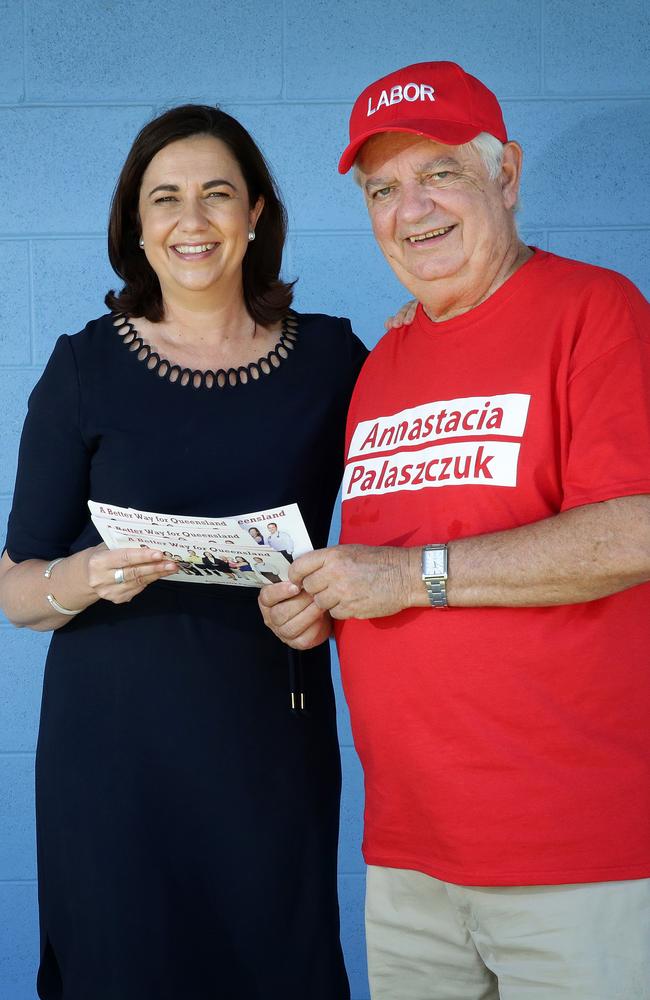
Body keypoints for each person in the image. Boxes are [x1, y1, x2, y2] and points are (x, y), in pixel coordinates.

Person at [259, 61, 650, 999]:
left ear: (505, 176)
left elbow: (634, 530)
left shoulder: (595, 312)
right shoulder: (382, 362)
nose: (412, 206)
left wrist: (406, 577)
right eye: (383, 188)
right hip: (408, 858)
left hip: (574, 854)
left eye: (440, 171)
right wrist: (321, 605)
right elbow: (387, 565)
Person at [0, 104, 369, 1000]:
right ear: (136, 224)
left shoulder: (333, 358)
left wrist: (334, 596)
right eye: (164, 198)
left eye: (217, 195)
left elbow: (382, 537)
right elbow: (16, 590)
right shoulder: (82, 367)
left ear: (257, 215)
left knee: (273, 959)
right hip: (112, 751)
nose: (191, 220)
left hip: (267, 739)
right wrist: (82, 577)